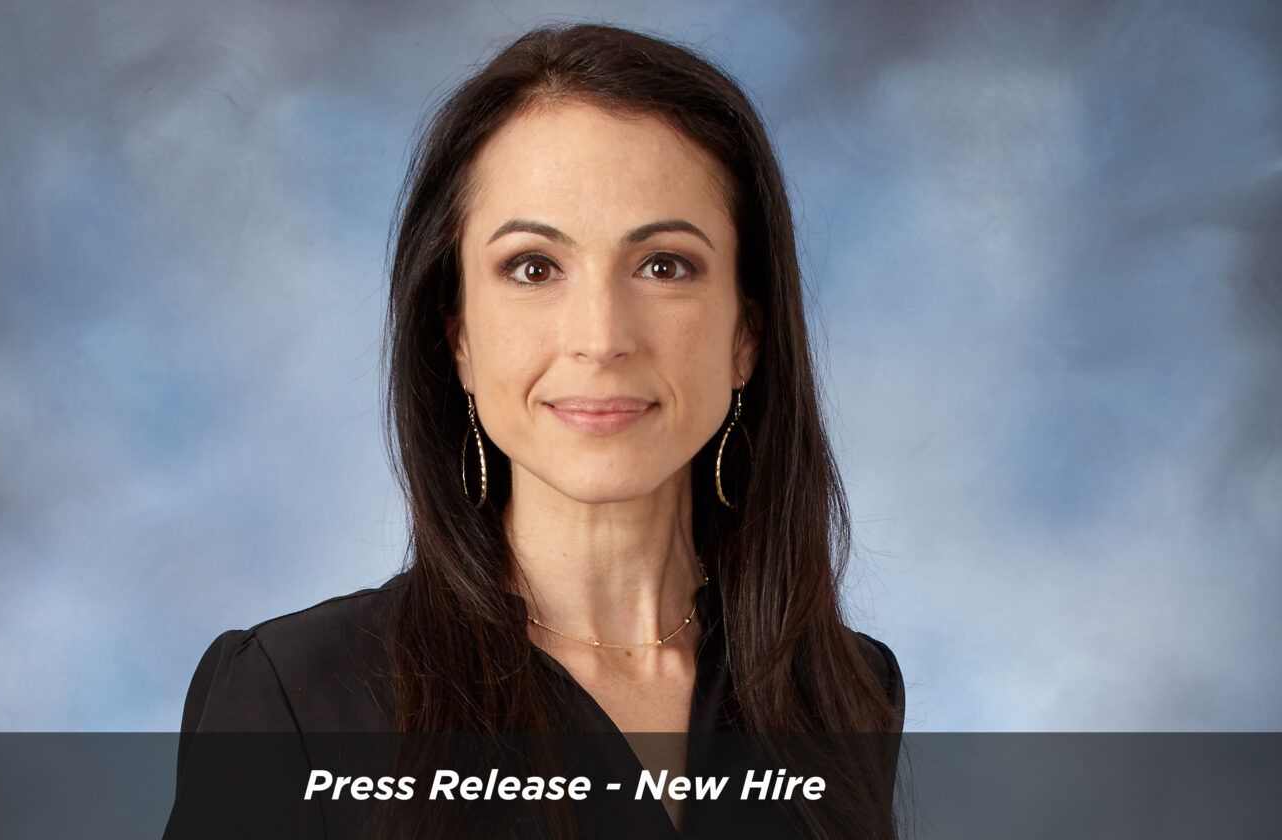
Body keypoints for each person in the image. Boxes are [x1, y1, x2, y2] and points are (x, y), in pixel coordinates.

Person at [165, 22, 905, 840]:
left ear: (747, 336)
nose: (600, 337)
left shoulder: (843, 691)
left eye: (663, 265)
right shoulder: (293, 701)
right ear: (457, 335)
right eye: (533, 268)